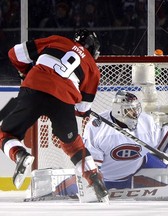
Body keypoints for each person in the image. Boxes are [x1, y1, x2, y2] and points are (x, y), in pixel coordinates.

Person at [1, 29, 108, 201]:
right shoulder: (93, 69)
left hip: (34, 88)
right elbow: (81, 110)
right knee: (74, 146)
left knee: (6, 134)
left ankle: (20, 155)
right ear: (94, 49)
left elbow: (14, 54)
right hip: (63, 99)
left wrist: (25, 71)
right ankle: (95, 180)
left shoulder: (58, 40)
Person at [82, 90, 168, 189]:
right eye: (130, 111)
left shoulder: (145, 121)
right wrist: (94, 182)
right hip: (108, 177)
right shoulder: (97, 129)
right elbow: (91, 165)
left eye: (136, 109)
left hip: (141, 166)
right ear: (119, 111)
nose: (136, 114)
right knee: (69, 191)